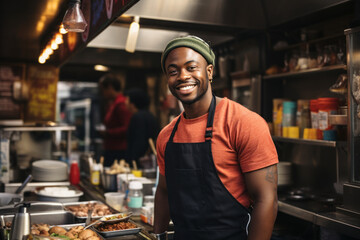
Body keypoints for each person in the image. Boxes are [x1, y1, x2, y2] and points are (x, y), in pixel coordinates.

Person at [153, 35, 279, 240]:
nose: (182, 76)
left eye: (191, 67)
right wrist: (158, 235)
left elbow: (267, 199)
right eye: (173, 71)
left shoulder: (244, 123)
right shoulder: (166, 136)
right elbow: (164, 191)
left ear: (209, 71)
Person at [98, 73, 132, 167]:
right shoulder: (114, 104)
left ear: (110, 87)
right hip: (112, 148)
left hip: (118, 150)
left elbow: (127, 128)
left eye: (103, 90)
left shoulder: (120, 104)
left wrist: (108, 132)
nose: (102, 93)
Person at [124, 88, 160, 168]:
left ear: (133, 103)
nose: (125, 102)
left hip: (140, 163)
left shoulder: (137, 117)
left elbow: (138, 141)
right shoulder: (149, 115)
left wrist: (132, 161)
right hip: (149, 161)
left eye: (127, 99)